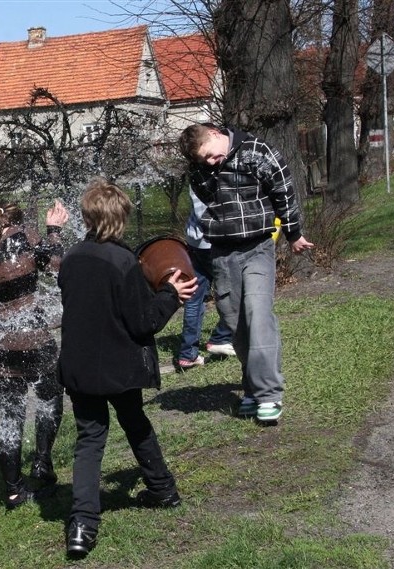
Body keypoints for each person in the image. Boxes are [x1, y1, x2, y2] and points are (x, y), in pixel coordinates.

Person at [57, 179, 197, 557]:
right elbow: (143, 323)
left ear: (88, 216)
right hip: (119, 367)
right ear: (120, 220)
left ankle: (82, 527)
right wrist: (172, 294)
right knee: (135, 422)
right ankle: (163, 490)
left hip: (80, 367)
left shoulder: (71, 258)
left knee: (89, 442)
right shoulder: (123, 262)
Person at [178, 123, 314, 424]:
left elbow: (284, 189)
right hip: (222, 254)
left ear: (214, 134)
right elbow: (206, 203)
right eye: (204, 161)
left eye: (211, 157)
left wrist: (293, 234)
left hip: (258, 247)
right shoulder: (199, 168)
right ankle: (252, 388)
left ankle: (269, 395)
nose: (211, 163)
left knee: (258, 314)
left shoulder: (256, 152)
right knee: (235, 323)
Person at [0, 200, 69, 510]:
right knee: (50, 399)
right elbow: (56, 266)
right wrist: (54, 231)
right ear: (17, 219)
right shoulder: (26, 237)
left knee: (10, 416)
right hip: (33, 339)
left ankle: (12, 490)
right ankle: (42, 462)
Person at [176, 189, 236, 370]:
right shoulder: (216, 172)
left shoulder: (196, 171)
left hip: (195, 241)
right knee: (234, 290)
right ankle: (221, 337)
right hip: (214, 241)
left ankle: (188, 354)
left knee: (194, 297)